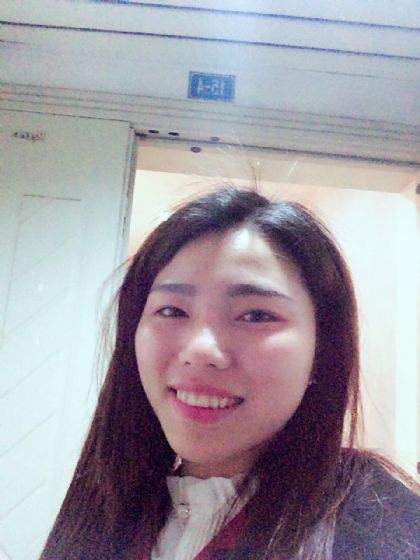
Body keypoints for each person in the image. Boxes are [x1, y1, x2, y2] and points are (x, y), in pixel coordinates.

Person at [40, 187, 419, 560]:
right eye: (171, 310)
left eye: (256, 315)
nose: (200, 351)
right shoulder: (103, 512)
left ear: (322, 348)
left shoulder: (382, 525)